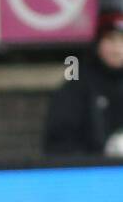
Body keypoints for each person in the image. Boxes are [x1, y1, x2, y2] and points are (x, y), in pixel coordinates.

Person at [43, 8, 123, 159]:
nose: (117, 48)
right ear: (98, 44)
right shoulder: (77, 86)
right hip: (91, 175)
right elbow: (58, 144)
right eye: (111, 39)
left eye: (122, 40)